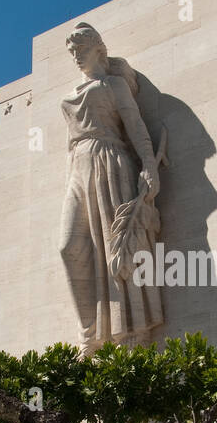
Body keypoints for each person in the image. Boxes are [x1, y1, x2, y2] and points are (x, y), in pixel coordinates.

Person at [57, 22, 166, 354]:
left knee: (119, 245)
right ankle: (89, 332)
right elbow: (70, 146)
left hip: (110, 163)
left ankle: (131, 330)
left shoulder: (114, 85)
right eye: (72, 50)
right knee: (68, 246)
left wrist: (148, 166)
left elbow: (136, 127)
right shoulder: (69, 96)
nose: (75, 56)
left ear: (98, 49)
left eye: (81, 48)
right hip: (78, 168)